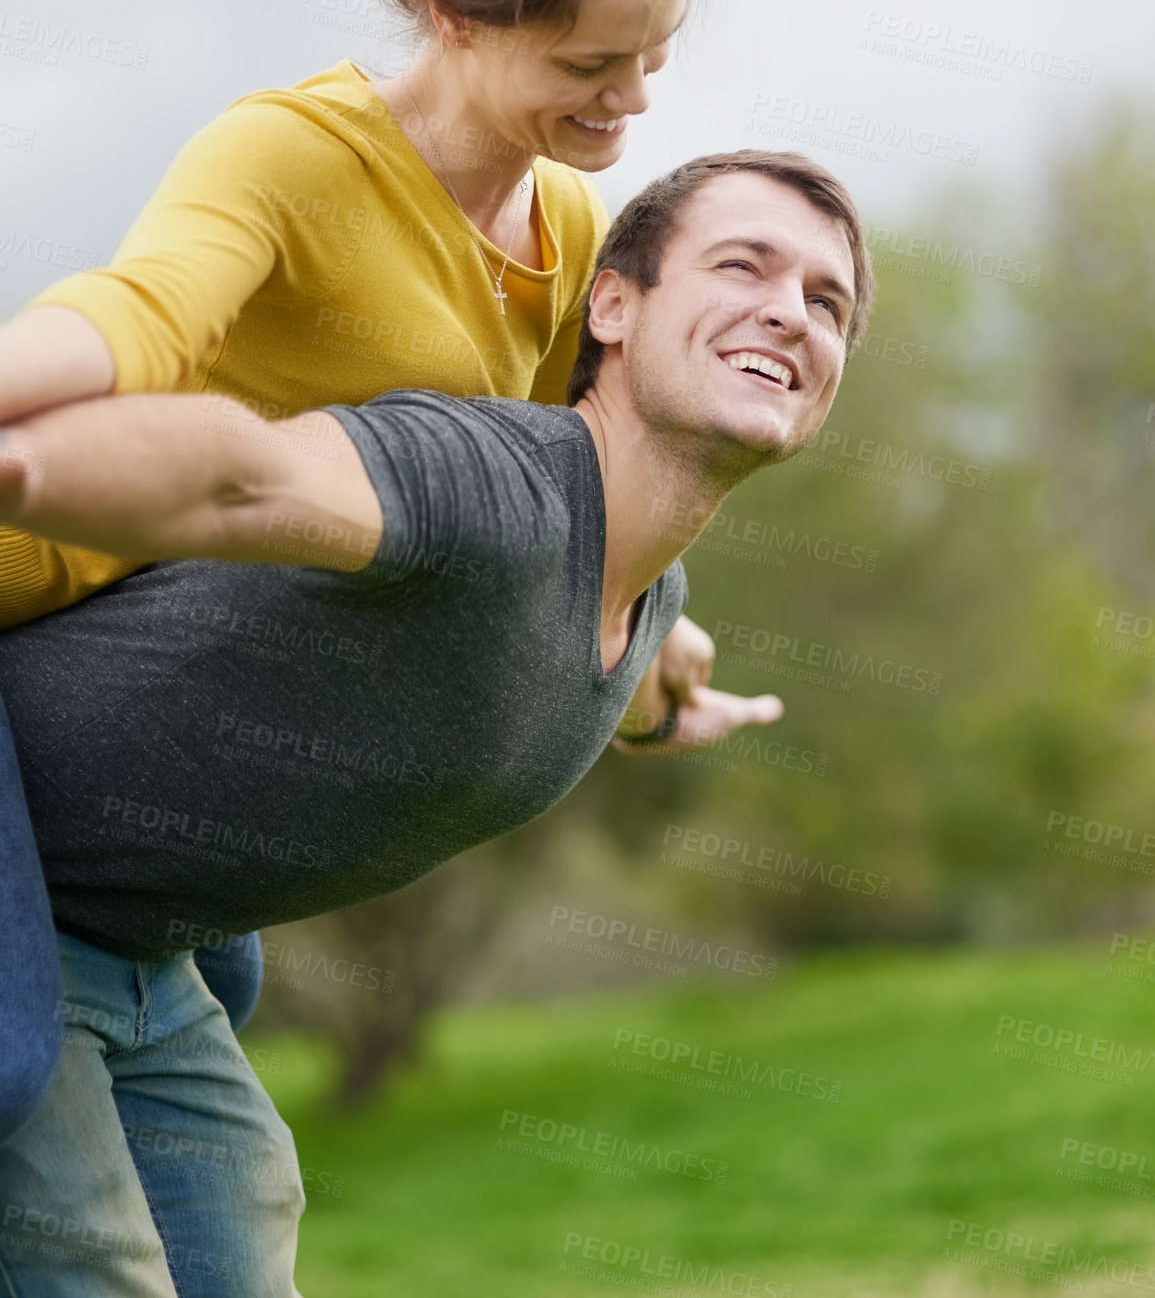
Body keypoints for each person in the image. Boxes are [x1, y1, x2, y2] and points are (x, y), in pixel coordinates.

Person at [0, 0, 733, 1115]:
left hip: (133, 690)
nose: (633, 101)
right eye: (591, 63)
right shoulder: (291, 151)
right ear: (458, 16)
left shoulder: (571, 232)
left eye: (655, 53)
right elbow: (134, 318)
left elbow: (562, 517)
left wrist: (657, 644)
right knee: (12, 1050)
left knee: (220, 1004)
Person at [0, 148, 874, 1296]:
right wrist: (21, 464)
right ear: (612, 304)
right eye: (743, 266)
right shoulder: (486, 487)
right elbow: (245, 477)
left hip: (130, 950)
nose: (788, 313)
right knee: (94, 1261)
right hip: (33, 923)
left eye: (827, 302)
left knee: (242, 1226)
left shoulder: (646, 599)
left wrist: (663, 711)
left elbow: (628, 655)